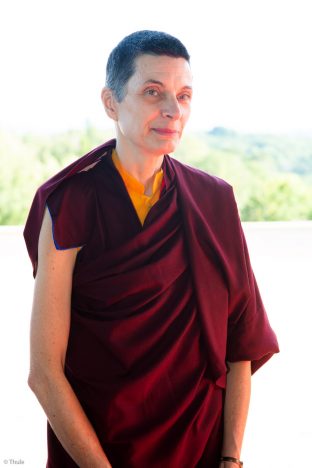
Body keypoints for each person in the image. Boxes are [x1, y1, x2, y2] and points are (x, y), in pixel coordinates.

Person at [24, 30, 279, 468]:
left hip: (197, 444)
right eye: (152, 91)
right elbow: (45, 373)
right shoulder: (69, 204)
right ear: (111, 103)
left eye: (184, 95)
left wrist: (231, 459)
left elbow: (241, 343)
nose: (172, 110)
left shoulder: (213, 200)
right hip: (97, 448)